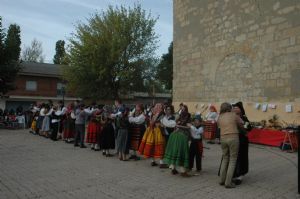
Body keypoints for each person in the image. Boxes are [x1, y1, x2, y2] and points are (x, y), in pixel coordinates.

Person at [217, 102, 243, 188]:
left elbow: (219, 126)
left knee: (225, 158)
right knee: (232, 160)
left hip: (223, 138)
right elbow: (241, 124)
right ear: (229, 108)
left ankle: (221, 180)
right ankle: (228, 183)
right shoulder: (234, 115)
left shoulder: (220, 117)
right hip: (233, 137)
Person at [164, 105, 191, 177]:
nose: (182, 111)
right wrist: (180, 126)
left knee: (175, 151)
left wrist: (178, 126)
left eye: (183, 109)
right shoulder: (186, 117)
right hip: (181, 137)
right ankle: (182, 171)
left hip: (174, 136)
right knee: (181, 152)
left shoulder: (177, 118)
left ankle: (173, 168)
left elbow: (175, 126)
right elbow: (188, 127)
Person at [138, 103, 166, 167]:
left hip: (153, 131)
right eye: (158, 106)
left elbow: (152, 122)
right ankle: (158, 162)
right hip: (156, 131)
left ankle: (155, 161)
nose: (158, 108)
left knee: (155, 146)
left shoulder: (156, 113)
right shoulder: (158, 114)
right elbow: (154, 122)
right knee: (158, 146)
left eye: (159, 107)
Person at [232, 102, 251, 185]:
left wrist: (242, 123)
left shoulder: (244, 117)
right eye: (234, 107)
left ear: (240, 109)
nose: (235, 109)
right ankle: (232, 173)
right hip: (233, 139)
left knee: (242, 157)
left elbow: (249, 127)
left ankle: (240, 175)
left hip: (242, 140)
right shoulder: (231, 117)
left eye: (237, 107)